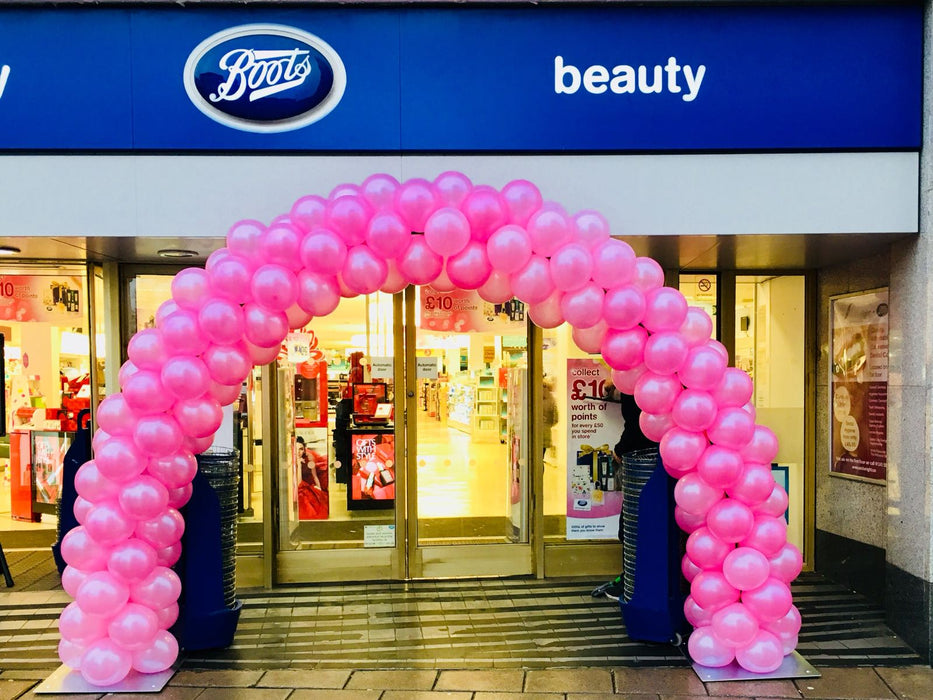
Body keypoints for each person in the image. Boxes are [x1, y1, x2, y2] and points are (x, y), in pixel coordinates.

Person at [592, 376, 659, 601]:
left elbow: (636, 428)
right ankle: (642, 581)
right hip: (668, 463)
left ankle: (632, 582)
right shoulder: (655, 384)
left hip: (642, 467)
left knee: (632, 526)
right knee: (650, 527)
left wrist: (619, 451)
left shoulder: (636, 389)